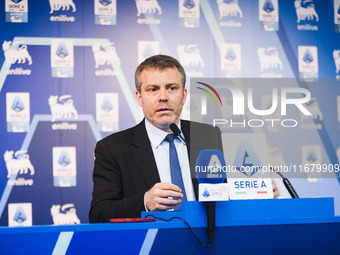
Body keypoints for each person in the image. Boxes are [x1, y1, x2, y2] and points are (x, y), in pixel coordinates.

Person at [89, 54, 278, 223]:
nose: (163, 97)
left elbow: (223, 195)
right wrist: (144, 202)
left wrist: (255, 194)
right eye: (153, 89)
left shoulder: (208, 135)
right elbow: (98, 213)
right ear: (139, 98)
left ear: (184, 95)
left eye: (171, 88)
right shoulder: (112, 148)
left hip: (209, 243)